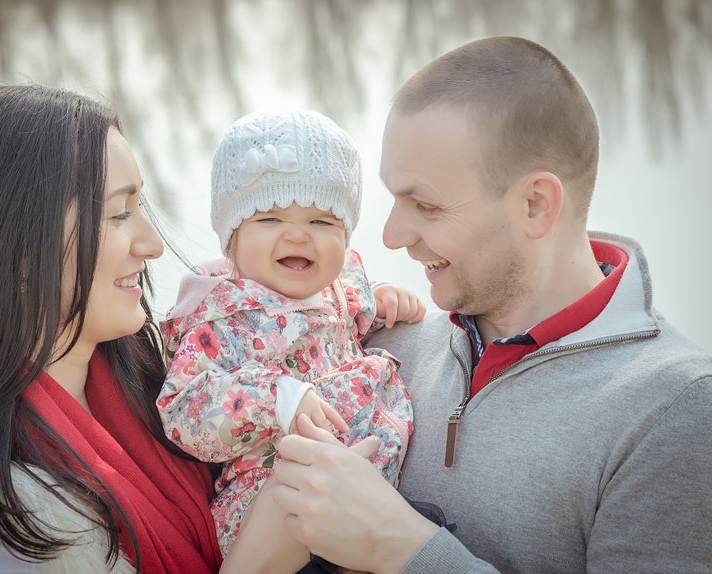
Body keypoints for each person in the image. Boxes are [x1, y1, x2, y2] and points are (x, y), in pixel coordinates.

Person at [269, 36, 712, 573]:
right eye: (394, 198)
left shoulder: (675, 408)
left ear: (535, 204)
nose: (391, 235)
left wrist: (402, 548)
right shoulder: (378, 348)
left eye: (425, 205)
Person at [0, 84, 225, 573]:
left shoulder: (178, 398)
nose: (153, 244)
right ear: (20, 245)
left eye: (140, 207)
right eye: (119, 213)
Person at [155, 110, 428, 572]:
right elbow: (185, 410)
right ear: (232, 241)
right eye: (270, 217)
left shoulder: (341, 291)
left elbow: (343, 332)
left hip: (366, 510)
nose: (298, 234)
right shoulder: (224, 318)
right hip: (278, 512)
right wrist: (277, 397)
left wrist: (382, 298)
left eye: (322, 221)